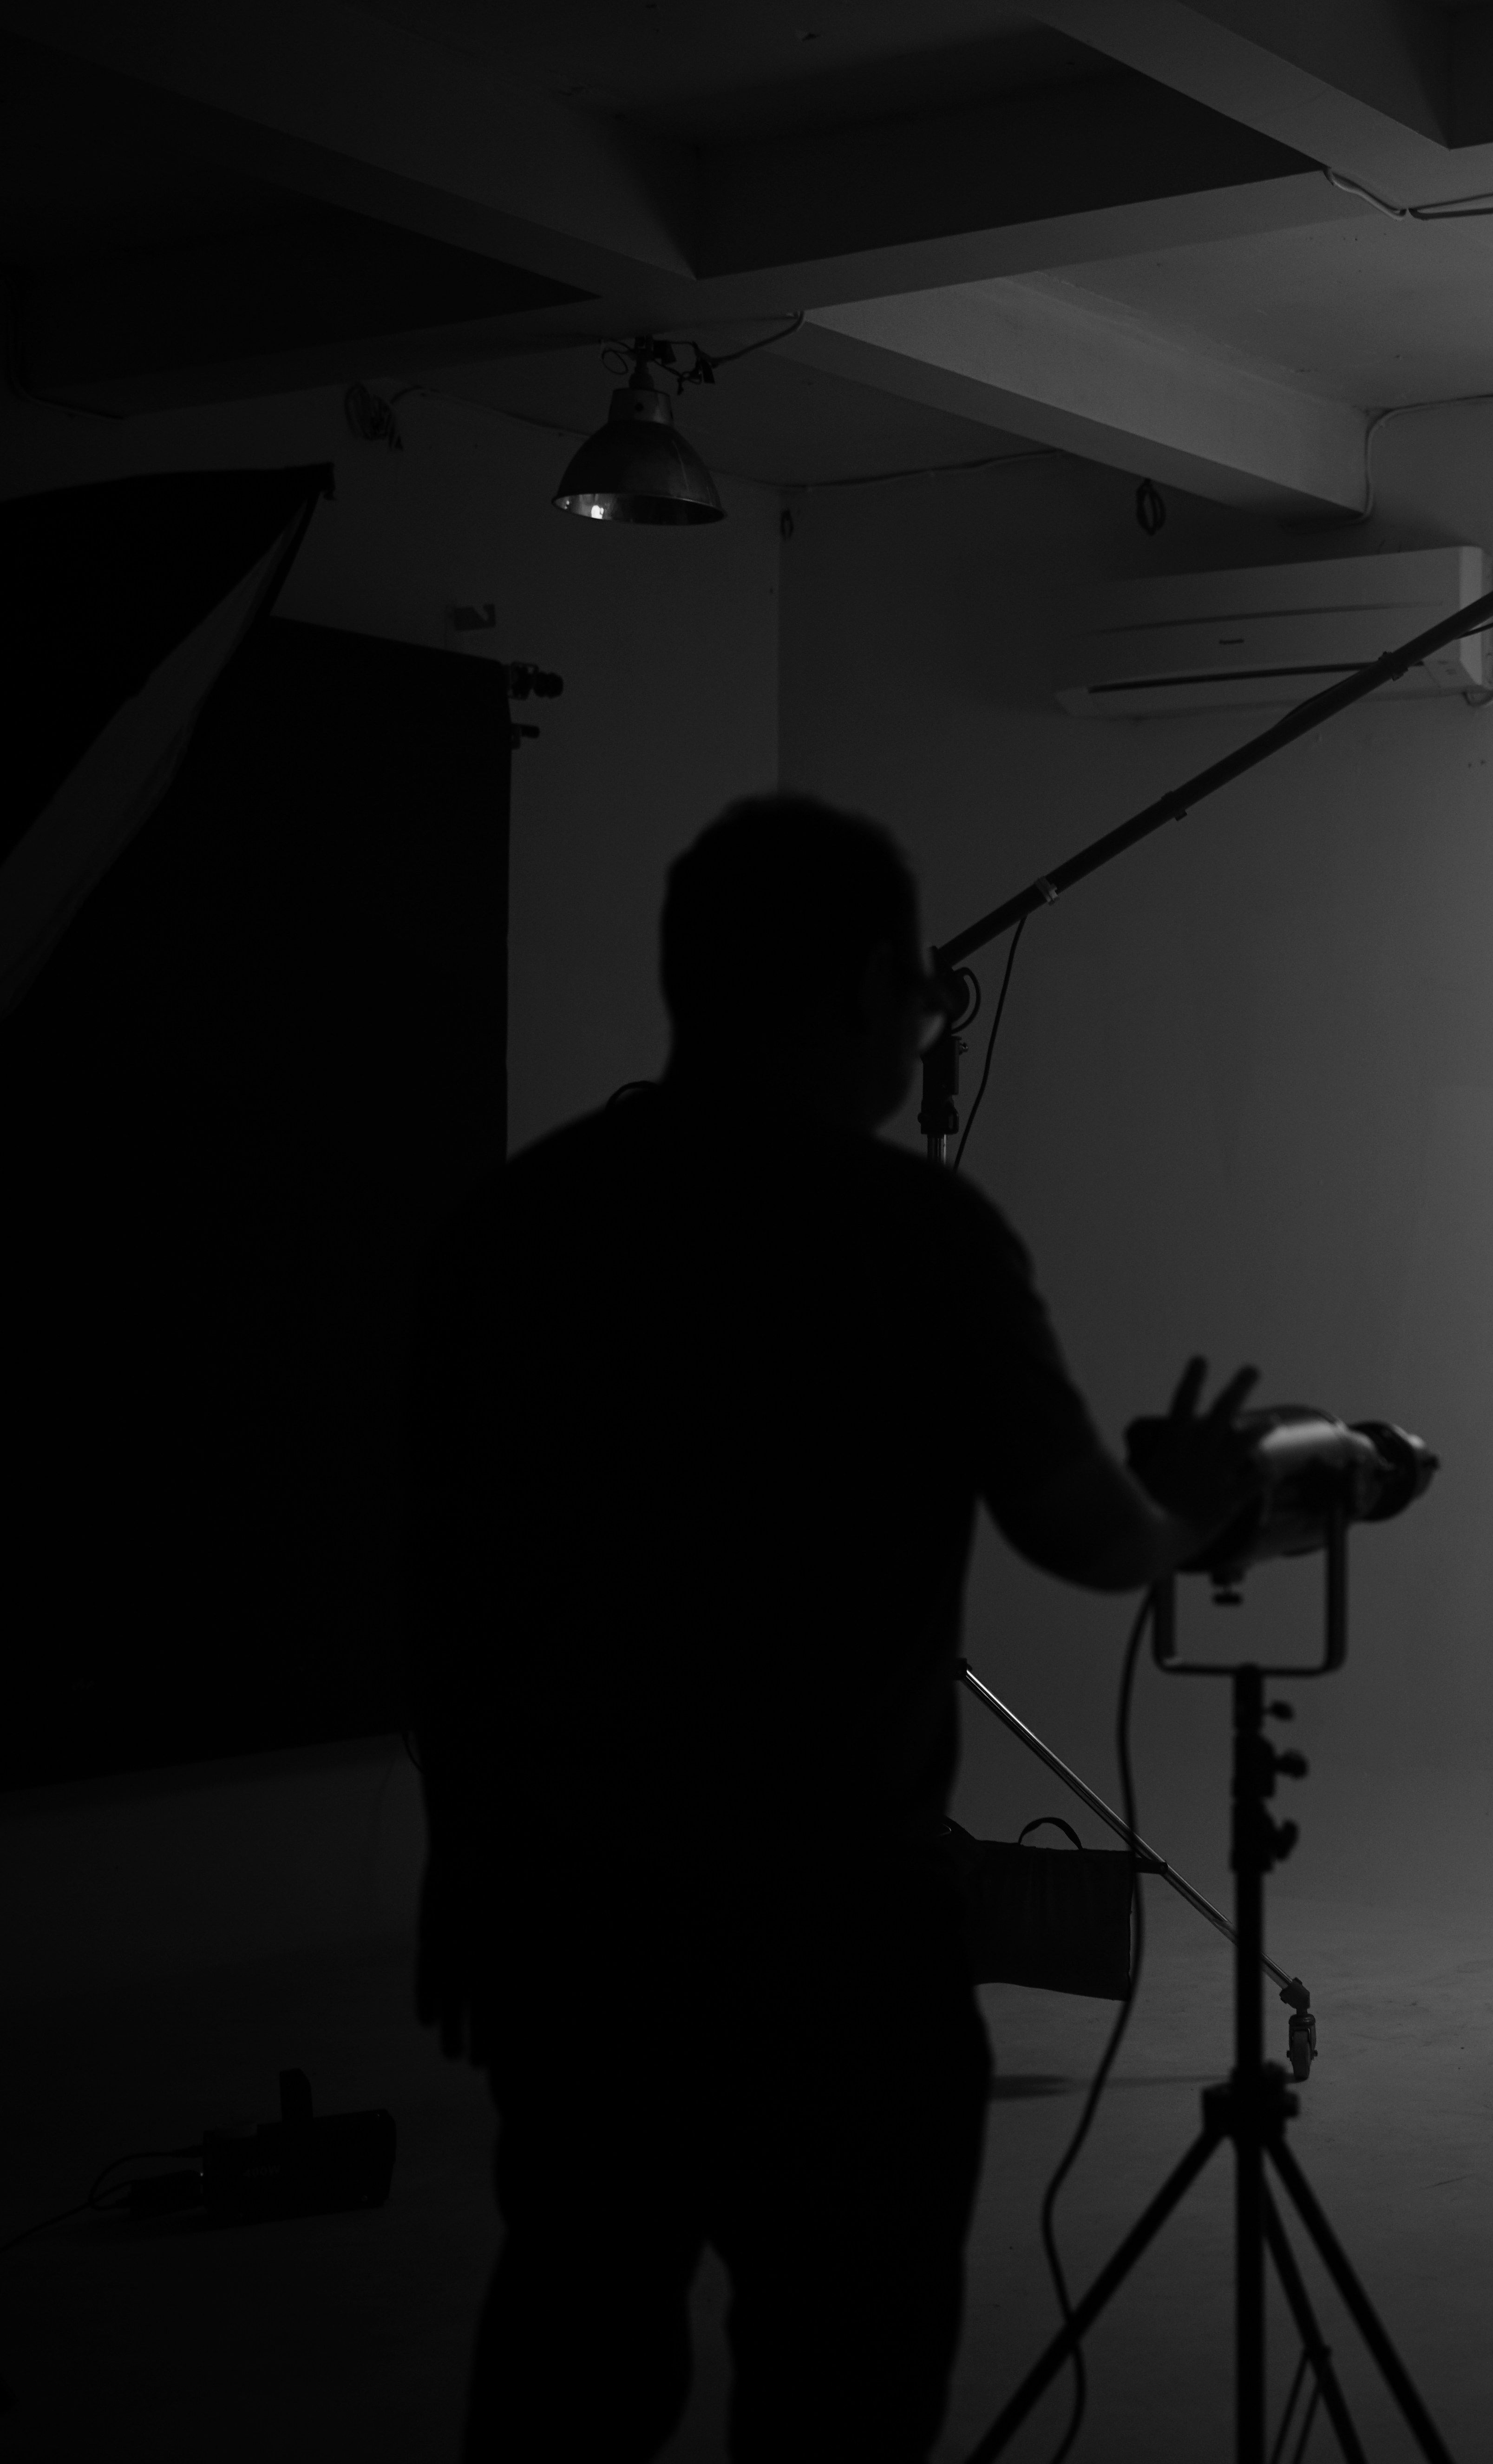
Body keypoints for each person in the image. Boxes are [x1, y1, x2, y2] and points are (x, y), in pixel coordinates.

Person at [403, 794, 1255, 2461]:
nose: (927, 1024)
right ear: (871, 984)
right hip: (838, 1942)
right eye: (925, 993)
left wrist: (466, 1867)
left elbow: (451, 1588)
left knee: (572, 2354)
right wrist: (1197, 1508)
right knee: (841, 2391)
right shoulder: (916, 1234)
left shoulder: (517, 1226)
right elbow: (1091, 1537)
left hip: (577, 1932)